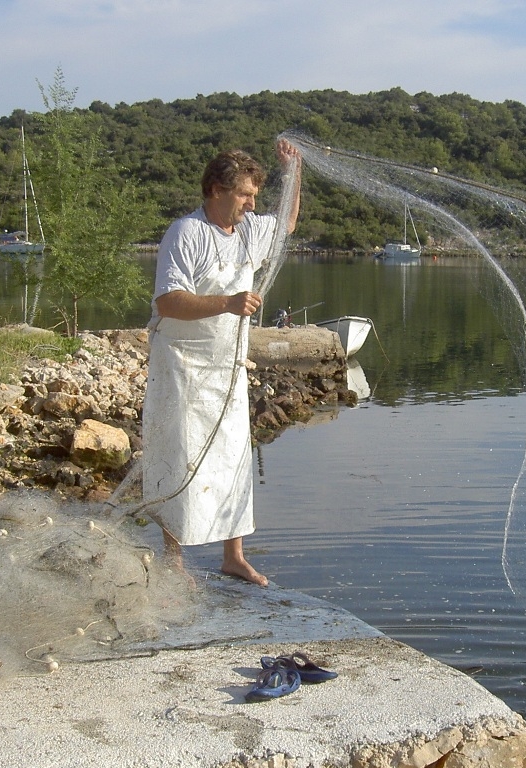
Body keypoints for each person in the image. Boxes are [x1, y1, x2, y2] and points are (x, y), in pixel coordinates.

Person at [142, 139, 302, 586]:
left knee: (233, 456)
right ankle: (172, 560)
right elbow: (169, 301)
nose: (251, 205)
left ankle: (233, 556)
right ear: (216, 189)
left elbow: (287, 221)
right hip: (182, 365)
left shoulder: (248, 230)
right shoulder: (186, 232)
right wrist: (228, 303)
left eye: (254, 196)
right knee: (180, 453)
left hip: (226, 366)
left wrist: (294, 171)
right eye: (244, 195)